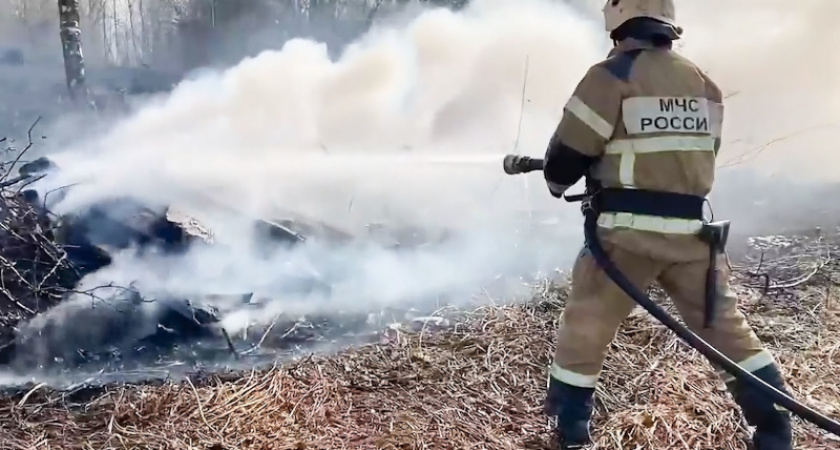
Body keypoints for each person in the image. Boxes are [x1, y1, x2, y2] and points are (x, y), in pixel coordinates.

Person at [540, 1, 793, 449]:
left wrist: (558, 182)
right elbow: (695, 153)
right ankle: (774, 427)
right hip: (694, 236)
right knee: (724, 328)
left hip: (627, 235)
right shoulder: (703, 83)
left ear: (617, 22)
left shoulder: (611, 76)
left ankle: (570, 429)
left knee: (588, 322)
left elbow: (569, 152)